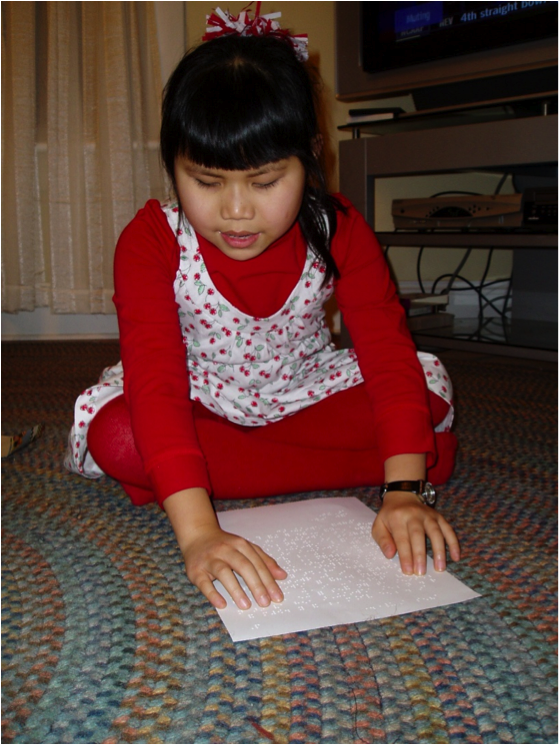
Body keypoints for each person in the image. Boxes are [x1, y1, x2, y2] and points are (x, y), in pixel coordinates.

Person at [65, 7, 460, 613]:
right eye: (207, 180)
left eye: (265, 180)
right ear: (172, 166)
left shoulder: (341, 228)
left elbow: (384, 352)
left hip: (302, 389)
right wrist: (198, 530)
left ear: (311, 159)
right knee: (119, 433)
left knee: (421, 387)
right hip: (200, 398)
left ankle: (199, 478)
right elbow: (157, 382)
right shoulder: (150, 240)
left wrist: (404, 489)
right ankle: (324, 465)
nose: (236, 210)